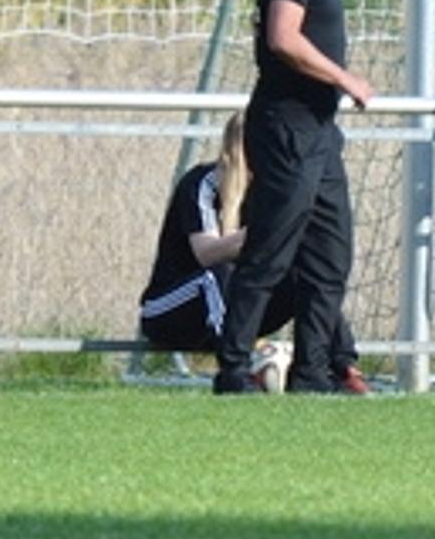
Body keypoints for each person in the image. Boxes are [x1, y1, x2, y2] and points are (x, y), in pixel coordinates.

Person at [212, 0, 375, 394]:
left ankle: (312, 375)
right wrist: (344, 77)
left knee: (330, 255)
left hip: (320, 132)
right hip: (288, 126)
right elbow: (282, 37)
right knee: (271, 249)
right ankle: (233, 369)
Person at [140, 112, 367, 392]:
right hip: (173, 310)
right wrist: (265, 233)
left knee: (309, 274)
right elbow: (206, 253)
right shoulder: (203, 183)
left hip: (236, 313)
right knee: (218, 276)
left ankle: (343, 368)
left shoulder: (280, 190)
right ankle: (242, 366)